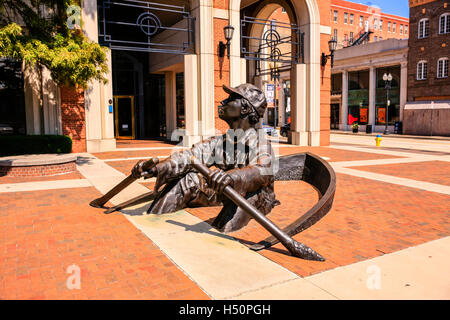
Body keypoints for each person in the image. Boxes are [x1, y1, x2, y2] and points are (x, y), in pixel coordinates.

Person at [132, 83, 280, 233]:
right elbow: (190, 156)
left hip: (253, 197)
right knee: (187, 181)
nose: (223, 102)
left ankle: (218, 239)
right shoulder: (221, 141)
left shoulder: (260, 143)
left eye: (231, 98)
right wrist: (158, 168)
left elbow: (262, 171)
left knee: (228, 218)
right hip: (223, 191)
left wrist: (231, 177)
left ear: (245, 108)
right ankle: (150, 225)